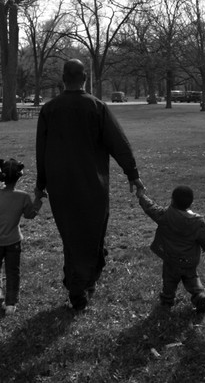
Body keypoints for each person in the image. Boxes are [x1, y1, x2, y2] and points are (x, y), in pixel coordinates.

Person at [35, 59, 145, 312]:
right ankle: (80, 284)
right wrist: (133, 174)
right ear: (84, 78)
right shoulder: (96, 107)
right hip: (93, 185)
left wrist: (41, 185)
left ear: (63, 78)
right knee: (93, 233)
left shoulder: (49, 109)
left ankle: (81, 280)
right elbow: (119, 143)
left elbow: (41, 150)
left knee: (71, 236)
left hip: (61, 186)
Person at [0, 158, 44, 315]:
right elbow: (30, 215)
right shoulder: (23, 197)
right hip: (14, 240)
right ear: (18, 177)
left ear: (0, 176)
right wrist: (38, 199)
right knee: (13, 270)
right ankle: (11, 304)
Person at [136, 185, 205, 313]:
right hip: (189, 261)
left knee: (169, 281)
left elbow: (151, 208)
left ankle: (167, 301)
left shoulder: (165, 215)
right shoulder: (198, 222)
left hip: (171, 260)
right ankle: (199, 295)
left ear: (172, 200)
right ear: (191, 203)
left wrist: (142, 196)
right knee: (192, 279)